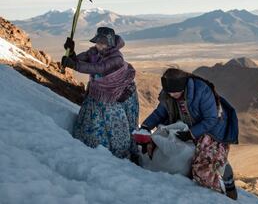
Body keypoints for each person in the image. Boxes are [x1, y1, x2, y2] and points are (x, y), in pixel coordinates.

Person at [140, 68, 239, 200]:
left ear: (183, 87)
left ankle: (226, 181)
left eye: (175, 92)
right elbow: (160, 113)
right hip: (186, 127)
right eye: (169, 93)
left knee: (202, 169)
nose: (172, 95)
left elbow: (211, 119)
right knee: (155, 145)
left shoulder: (202, 91)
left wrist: (191, 133)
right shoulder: (169, 94)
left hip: (210, 130)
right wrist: (145, 127)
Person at [61, 27, 139, 159]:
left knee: (123, 126)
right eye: (98, 42)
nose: (99, 45)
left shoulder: (117, 58)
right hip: (99, 94)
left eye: (103, 43)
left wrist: (75, 66)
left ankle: (127, 154)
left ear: (110, 43)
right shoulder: (95, 51)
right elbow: (81, 60)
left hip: (119, 95)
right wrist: (72, 53)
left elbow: (98, 68)